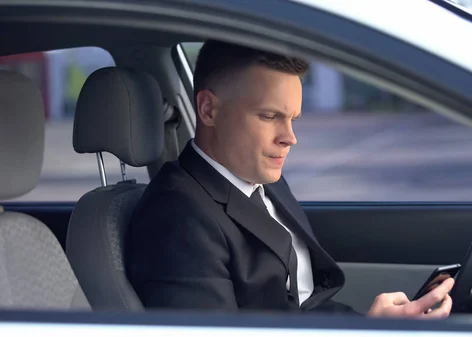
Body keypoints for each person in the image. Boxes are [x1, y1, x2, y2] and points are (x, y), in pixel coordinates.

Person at [125, 39, 454, 318]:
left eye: (293, 118)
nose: (289, 137)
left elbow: (306, 305)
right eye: (270, 116)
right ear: (209, 110)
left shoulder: (263, 180)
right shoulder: (177, 218)